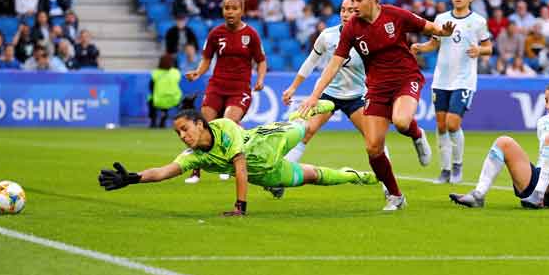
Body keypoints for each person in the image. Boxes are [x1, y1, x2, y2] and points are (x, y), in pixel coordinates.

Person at [298, 0, 455, 211]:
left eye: (358, 0)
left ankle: (416, 133)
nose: (353, 5)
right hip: (376, 88)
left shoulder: (395, 15)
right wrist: (314, 95)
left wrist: (444, 32)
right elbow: (333, 65)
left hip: (405, 78)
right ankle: (396, 196)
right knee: (373, 147)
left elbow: (430, 28)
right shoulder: (352, 27)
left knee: (401, 121)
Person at [99, 95, 377, 216]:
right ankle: (361, 177)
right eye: (179, 134)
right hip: (264, 173)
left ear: (200, 124)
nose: (183, 136)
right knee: (316, 176)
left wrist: (240, 207)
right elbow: (164, 171)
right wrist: (133, 178)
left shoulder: (225, 127)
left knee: (302, 127)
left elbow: (239, 168)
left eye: (185, 129)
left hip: (270, 141)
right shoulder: (195, 155)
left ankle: (304, 111)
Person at [280, 0, 392, 199]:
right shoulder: (327, 36)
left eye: (350, 10)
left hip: (356, 96)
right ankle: (281, 181)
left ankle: (388, 186)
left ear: (358, 12)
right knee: (305, 132)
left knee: (375, 139)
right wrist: (293, 87)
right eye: (342, 10)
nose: (345, 13)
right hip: (327, 93)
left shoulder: (368, 36)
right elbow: (310, 62)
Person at [450, 80, 549, 210]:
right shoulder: (542, 122)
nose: (548, 105)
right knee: (504, 142)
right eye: (546, 101)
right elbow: (545, 156)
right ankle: (478, 195)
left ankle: (538, 195)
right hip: (539, 177)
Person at [411, 0, 493, 184]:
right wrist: (421, 47)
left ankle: (457, 165)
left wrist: (479, 50)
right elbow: (434, 43)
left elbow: (489, 47)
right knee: (440, 125)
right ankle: (445, 170)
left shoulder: (478, 21)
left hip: (464, 79)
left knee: (452, 123)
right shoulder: (441, 18)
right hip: (441, 79)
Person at [184, 0, 267, 184]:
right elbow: (206, 58)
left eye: (234, 8)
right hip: (217, 86)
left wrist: (260, 79)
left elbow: (261, 61)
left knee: (228, 125)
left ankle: (227, 166)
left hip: (239, 89)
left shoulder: (251, 35)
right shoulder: (216, 33)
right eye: (226, 8)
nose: (230, 12)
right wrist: (198, 72)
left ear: (242, 11)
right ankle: (196, 170)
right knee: (203, 125)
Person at [148, 54, 182, 128]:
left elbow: (151, 87)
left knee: (150, 100)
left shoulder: (155, 73)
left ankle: (153, 121)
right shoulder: (176, 72)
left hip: (158, 100)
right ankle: (165, 116)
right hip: (174, 99)